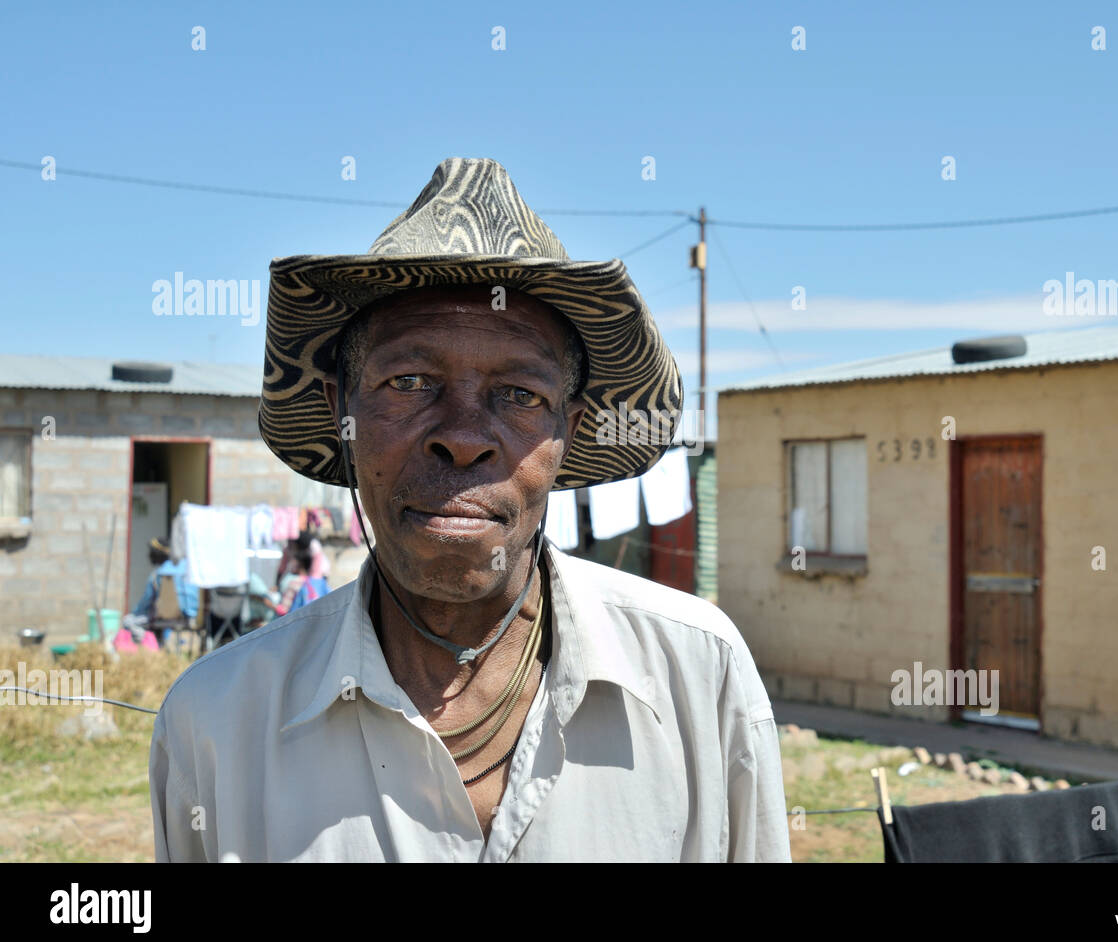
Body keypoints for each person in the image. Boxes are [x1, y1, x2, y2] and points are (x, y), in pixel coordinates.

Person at [149, 157, 789, 862]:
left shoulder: (699, 675)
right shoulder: (216, 723)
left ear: (567, 429)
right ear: (342, 410)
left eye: (519, 393)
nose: (461, 436)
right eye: (410, 380)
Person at [123, 537, 198, 648]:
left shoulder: (159, 574)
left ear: (157, 554)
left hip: (167, 617)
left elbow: (145, 604)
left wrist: (134, 613)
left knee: (127, 621)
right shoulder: (190, 569)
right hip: (193, 616)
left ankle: (149, 647)